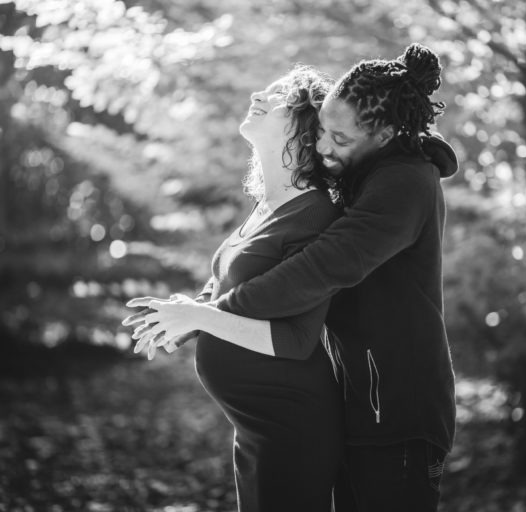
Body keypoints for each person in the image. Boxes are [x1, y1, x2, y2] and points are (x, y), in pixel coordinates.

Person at [133, 42, 459, 511]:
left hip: (399, 413)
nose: (323, 145)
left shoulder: (404, 184)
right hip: (359, 406)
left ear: (386, 133)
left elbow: (319, 268)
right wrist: (197, 316)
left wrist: (207, 317)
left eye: (340, 139)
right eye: (322, 130)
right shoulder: (366, 172)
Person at [125, 65, 343, 512]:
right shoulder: (268, 207)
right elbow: (230, 288)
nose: (261, 92)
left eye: (282, 94)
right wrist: (183, 315)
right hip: (256, 427)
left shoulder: (315, 215)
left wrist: (200, 317)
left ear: (306, 125)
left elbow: (296, 338)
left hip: (291, 425)